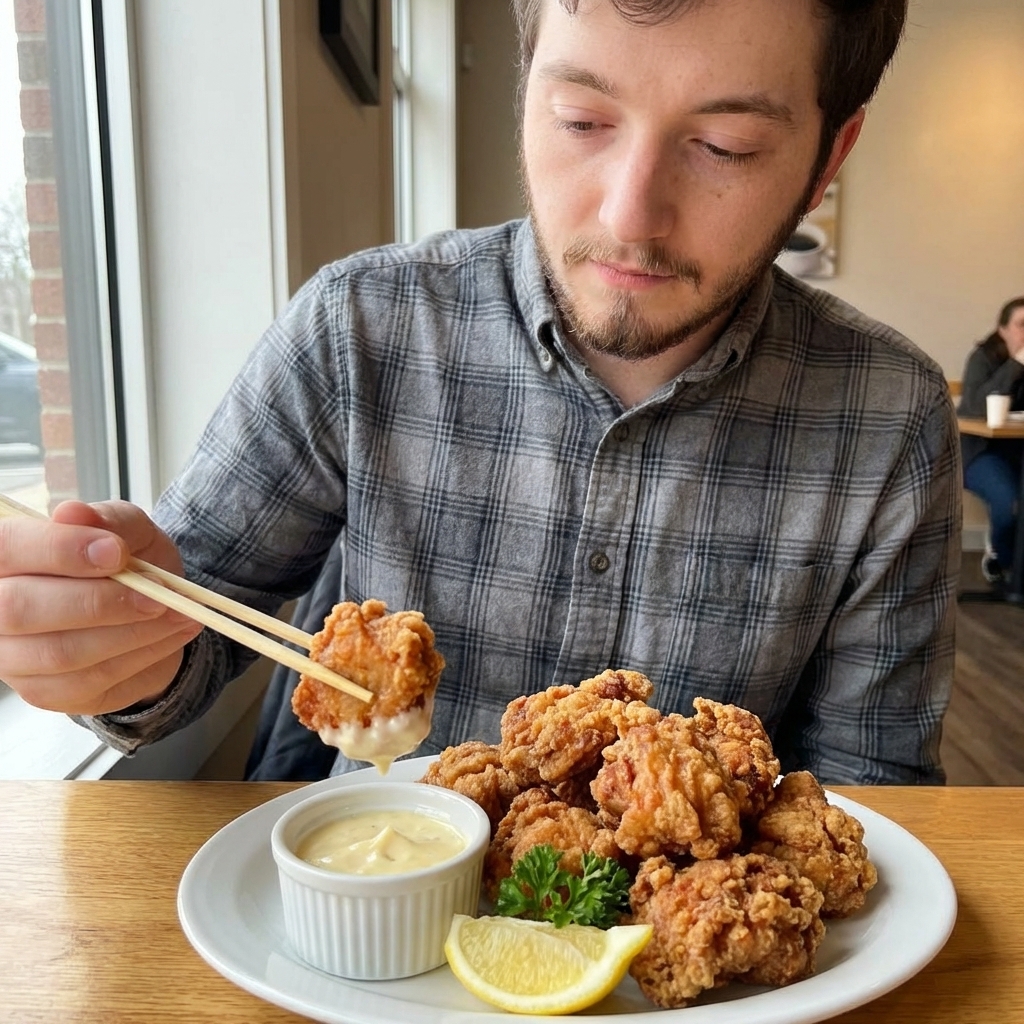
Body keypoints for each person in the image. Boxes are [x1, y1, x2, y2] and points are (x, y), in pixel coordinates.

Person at [0, 0, 959, 785]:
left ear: (829, 157)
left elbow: (872, 794)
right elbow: (191, 624)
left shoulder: (890, 416)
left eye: (726, 145)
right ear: (526, 86)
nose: (630, 214)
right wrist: (111, 651)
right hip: (382, 906)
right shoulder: (360, 326)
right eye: (581, 120)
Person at [958, 297, 1024, 583]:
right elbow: (974, 407)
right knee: (1011, 504)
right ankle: (1003, 561)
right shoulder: (983, 358)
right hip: (981, 452)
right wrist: (1016, 363)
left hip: (1019, 449)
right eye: (1022, 325)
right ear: (1003, 330)